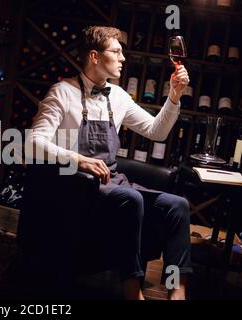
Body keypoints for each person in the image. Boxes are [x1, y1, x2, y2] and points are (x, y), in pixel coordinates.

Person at [25, 26, 193, 300]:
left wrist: (174, 97)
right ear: (94, 56)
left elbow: (156, 131)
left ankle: (178, 292)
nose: (123, 58)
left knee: (178, 206)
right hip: (75, 189)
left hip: (111, 183)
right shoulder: (62, 92)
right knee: (131, 199)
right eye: (116, 51)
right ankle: (132, 291)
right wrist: (78, 160)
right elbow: (33, 142)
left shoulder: (118, 95)